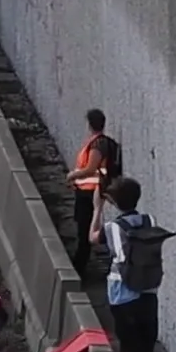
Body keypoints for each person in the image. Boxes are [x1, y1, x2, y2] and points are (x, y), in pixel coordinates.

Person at [91, 175, 164, 352]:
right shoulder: (149, 220)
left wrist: (97, 208)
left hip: (124, 298)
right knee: (146, 349)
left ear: (112, 200)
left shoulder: (113, 227)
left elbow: (93, 237)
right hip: (149, 293)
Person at [66, 109, 121, 273]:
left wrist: (72, 175)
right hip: (90, 191)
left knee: (85, 230)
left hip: (90, 193)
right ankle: (81, 264)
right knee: (85, 228)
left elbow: (90, 169)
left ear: (89, 125)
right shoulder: (101, 142)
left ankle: (80, 267)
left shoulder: (97, 144)